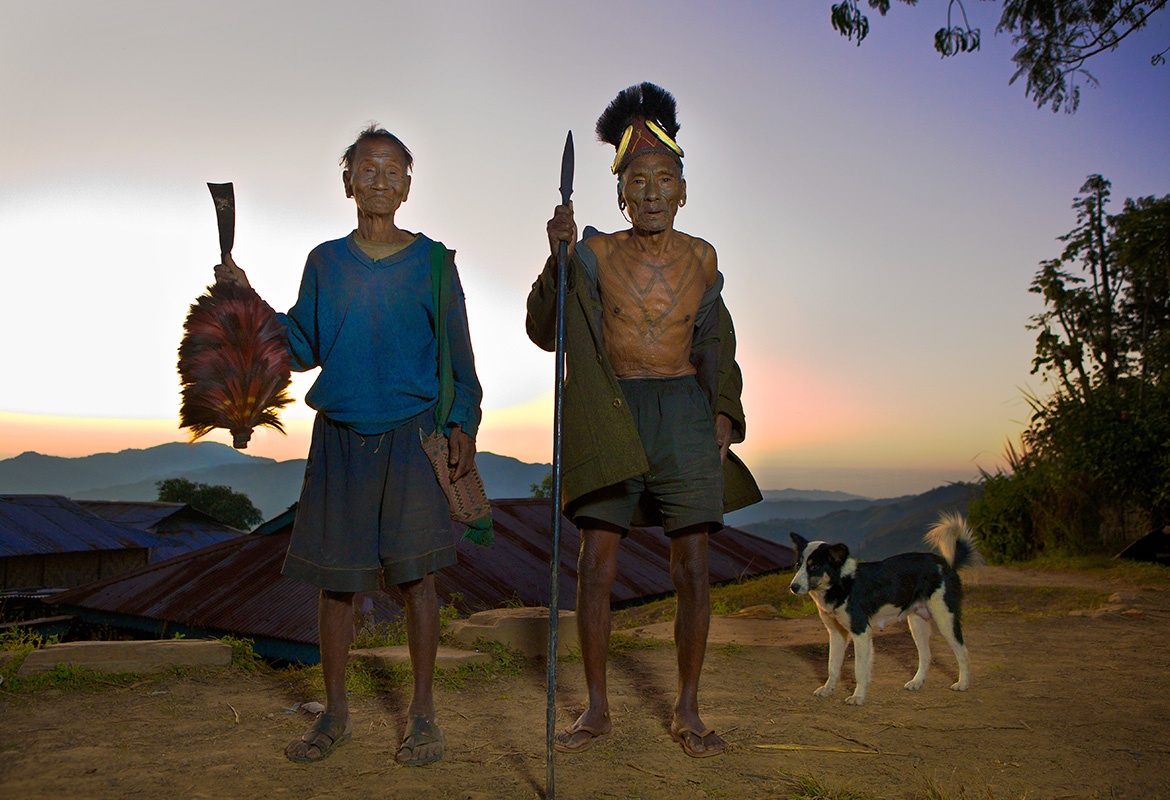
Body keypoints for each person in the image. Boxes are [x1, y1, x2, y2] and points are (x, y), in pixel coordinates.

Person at [215, 124, 483, 767]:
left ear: (408, 185)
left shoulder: (434, 263)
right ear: (348, 183)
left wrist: (463, 425)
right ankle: (335, 714)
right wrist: (245, 300)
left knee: (416, 579)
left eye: (393, 170)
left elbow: (459, 357)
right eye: (368, 169)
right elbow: (300, 345)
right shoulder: (325, 262)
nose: (380, 180)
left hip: (414, 435)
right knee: (336, 586)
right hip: (339, 438)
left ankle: (423, 715)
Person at [527, 83, 761, 758]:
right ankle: (596, 709)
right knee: (595, 563)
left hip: (683, 412)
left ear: (682, 190)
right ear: (621, 194)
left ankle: (688, 708)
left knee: (693, 565)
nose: (651, 193)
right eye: (637, 181)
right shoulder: (595, 255)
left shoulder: (703, 258)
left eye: (664, 180)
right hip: (611, 409)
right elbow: (545, 331)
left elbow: (717, 341)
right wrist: (557, 258)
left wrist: (723, 411)